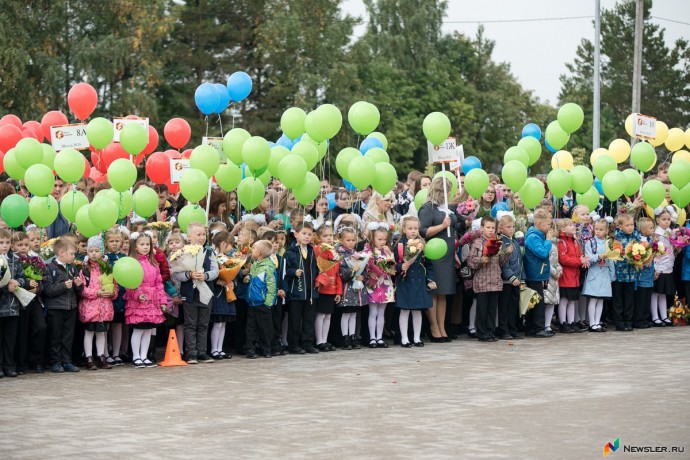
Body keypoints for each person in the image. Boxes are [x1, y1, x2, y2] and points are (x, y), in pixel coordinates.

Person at [173, 222, 219, 364]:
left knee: (203, 324)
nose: (202, 237)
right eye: (198, 234)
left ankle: (202, 352)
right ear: (189, 237)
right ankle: (191, 353)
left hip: (205, 292)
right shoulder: (182, 253)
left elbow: (215, 271)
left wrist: (205, 276)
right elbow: (177, 274)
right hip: (190, 293)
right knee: (190, 324)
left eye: (203, 234)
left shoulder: (209, 252)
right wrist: (189, 274)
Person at [419, 177, 458, 342]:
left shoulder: (447, 208)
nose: (450, 193)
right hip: (435, 255)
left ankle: (442, 327)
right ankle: (434, 328)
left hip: (448, 255)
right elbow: (423, 231)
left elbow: (455, 230)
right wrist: (442, 226)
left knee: (443, 293)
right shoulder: (428, 208)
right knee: (434, 292)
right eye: (448, 190)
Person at [124, 231, 166, 368]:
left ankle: (144, 356)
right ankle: (136, 356)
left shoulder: (153, 263)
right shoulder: (132, 263)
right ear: (135, 246)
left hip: (152, 301)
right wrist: (137, 295)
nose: (145, 246)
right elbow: (129, 284)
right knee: (138, 329)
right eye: (142, 244)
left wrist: (162, 301)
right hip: (139, 302)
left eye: (148, 244)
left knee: (148, 330)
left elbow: (159, 283)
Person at [43, 236, 84, 373]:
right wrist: (62, 286)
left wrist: (79, 286)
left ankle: (67, 361)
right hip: (56, 308)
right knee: (55, 336)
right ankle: (55, 362)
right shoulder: (50, 268)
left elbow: (78, 290)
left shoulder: (72, 268)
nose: (74, 256)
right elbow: (47, 290)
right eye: (72, 253)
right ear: (61, 252)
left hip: (70, 307)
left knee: (68, 336)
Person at [394, 216, 435, 347]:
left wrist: (430, 279)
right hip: (405, 281)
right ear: (403, 229)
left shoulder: (422, 244)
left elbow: (429, 264)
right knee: (405, 310)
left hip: (419, 281)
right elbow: (393, 263)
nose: (413, 231)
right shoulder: (400, 245)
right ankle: (404, 338)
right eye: (410, 228)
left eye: (416, 228)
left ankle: (417, 338)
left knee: (418, 310)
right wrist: (401, 267)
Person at [11, 232, 47, 374]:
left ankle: (37, 360)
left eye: (26, 245)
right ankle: (21, 363)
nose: (23, 248)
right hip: (18, 300)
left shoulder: (35, 260)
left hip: (34, 299)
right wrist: (25, 285)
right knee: (22, 332)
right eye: (20, 245)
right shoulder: (12, 261)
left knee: (41, 327)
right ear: (13, 246)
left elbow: (43, 279)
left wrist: (37, 288)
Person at [78, 236, 115, 370]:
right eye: (91, 251)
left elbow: (113, 284)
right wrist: (96, 293)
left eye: (97, 250)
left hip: (104, 306)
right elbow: (82, 289)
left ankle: (101, 356)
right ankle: (88, 356)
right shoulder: (85, 269)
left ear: (102, 252)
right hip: (90, 307)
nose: (94, 253)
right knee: (89, 332)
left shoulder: (107, 268)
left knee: (101, 332)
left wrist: (112, 293)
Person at [468, 217, 505, 342]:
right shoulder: (478, 243)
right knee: (482, 308)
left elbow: (502, 263)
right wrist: (480, 260)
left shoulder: (497, 242)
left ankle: (490, 331)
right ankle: (481, 332)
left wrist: (505, 254)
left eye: (493, 228)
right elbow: (470, 262)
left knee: (492, 309)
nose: (491, 230)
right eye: (488, 227)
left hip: (495, 281)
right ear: (482, 228)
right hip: (482, 281)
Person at [284, 221, 319, 354]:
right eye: (304, 233)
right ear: (296, 234)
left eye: (309, 234)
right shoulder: (290, 252)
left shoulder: (312, 251)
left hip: (310, 292)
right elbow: (285, 270)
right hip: (296, 292)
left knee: (309, 319)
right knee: (295, 320)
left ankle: (308, 343)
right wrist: (293, 272)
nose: (307, 236)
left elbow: (315, 268)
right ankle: (294, 345)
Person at [363, 223, 395, 348]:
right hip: (373, 284)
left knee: (382, 312)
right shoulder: (368, 251)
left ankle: (379, 337)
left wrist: (389, 255)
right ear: (372, 238)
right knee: (373, 312)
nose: (382, 242)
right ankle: (372, 338)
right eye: (379, 239)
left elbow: (392, 266)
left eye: (384, 239)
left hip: (385, 283)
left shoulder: (386, 251)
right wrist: (369, 272)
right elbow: (363, 265)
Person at [524, 209, 555, 338]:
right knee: (538, 303)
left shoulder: (538, 235)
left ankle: (532, 328)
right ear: (539, 223)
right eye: (548, 224)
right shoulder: (533, 237)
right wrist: (548, 240)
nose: (550, 227)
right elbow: (542, 253)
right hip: (534, 274)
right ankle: (537, 328)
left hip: (538, 273)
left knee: (534, 301)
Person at [0, 229, 27, 377]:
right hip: (1, 305)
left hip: (12, 307)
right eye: (1, 242)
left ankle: (9, 365)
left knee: (10, 339)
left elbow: (22, 278)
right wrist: (5, 287)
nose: (5, 245)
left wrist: (17, 283)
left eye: (7, 242)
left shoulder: (15, 260)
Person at [244, 240, 277, 359]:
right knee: (251, 328)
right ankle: (251, 349)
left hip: (262, 303)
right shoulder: (255, 264)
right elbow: (253, 279)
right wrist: (247, 278)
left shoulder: (268, 267)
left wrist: (268, 303)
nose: (252, 250)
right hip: (252, 301)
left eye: (254, 248)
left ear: (259, 253)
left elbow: (272, 286)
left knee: (265, 328)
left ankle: (267, 349)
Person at [336, 226, 367, 350]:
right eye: (348, 240)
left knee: (354, 313)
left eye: (353, 240)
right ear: (341, 240)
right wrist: (351, 271)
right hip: (346, 287)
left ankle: (353, 336)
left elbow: (364, 269)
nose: (351, 242)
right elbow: (341, 272)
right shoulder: (340, 254)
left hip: (356, 288)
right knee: (346, 312)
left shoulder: (357, 254)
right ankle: (345, 337)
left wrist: (362, 277)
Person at [582, 219, 616, 332]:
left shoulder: (609, 243)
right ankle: (592, 323)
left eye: (601, 229)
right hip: (594, 272)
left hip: (605, 273)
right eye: (596, 229)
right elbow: (588, 258)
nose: (598, 231)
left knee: (601, 299)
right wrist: (598, 256)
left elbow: (611, 260)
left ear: (606, 231)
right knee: (593, 299)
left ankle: (597, 322)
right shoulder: (590, 242)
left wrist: (612, 275)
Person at [313, 224, 341, 352]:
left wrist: (338, 291)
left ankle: (325, 339)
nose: (329, 238)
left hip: (332, 287)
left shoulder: (334, 250)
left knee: (328, 315)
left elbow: (337, 273)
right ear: (318, 238)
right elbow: (320, 265)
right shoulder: (319, 249)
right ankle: (319, 341)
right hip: (323, 287)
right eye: (325, 236)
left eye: (330, 235)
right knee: (321, 315)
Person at [557, 218, 587, 333]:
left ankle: (571, 322)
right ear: (563, 229)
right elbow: (563, 259)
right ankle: (563, 323)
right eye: (570, 225)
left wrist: (583, 259)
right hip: (565, 277)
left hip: (574, 276)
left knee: (571, 301)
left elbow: (579, 255)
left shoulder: (575, 241)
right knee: (564, 300)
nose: (573, 226)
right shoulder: (561, 242)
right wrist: (579, 261)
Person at [612, 214, 641, 332]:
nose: (630, 227)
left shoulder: (636, 236)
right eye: (627, 225)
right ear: (620, 226)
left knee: (629, 298)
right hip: (619, 273)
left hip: (631, 273)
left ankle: (628, 320)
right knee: (618, 298)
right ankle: (619, 322)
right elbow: (615, 253)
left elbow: (641, 250)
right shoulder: (617, 237)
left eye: (632, 225)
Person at [210, 231, 235, 360]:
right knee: (218, 323)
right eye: (230, 244)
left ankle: (220, 348)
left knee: (223, 323)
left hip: (226, 292)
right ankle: (214, 349)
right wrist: (217, 280)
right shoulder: (212, 256)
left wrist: (231, 280)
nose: (232, 248)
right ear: (224, 243)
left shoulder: (225, 258)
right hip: (217, 293)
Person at [497, 214, 523, 340]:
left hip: (517, 280)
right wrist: (511, 277)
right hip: (507, 281)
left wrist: (520, 277)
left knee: (513, 306)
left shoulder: (515, 242)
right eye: (508, 227)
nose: (511, 229)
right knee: (504, 306)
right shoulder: (502, 242)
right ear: (501, 228)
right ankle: (503, 329)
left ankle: (513, 328)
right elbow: (503, 263)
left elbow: (519, 261)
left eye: (513, 226)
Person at [104, 229, 127, 365]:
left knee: (118, 324)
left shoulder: (124, 258)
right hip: (108, 296)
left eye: (117, 241)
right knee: (106, 325)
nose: (114, 244)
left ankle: (116, 353)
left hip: (121, 296)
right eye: (111, 241)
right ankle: (106, 353)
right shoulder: (104, 259)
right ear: (106, 243)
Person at [651, 208, 676, 326]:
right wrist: (655, 268)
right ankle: (655, 316)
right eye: (663, 219)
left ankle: (664, 316)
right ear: (657, 220)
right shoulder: (657, 234)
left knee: (663, 292)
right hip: (659, 266)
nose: (666, 222)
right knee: (655, 292)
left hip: (668, 266)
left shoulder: (670, 232)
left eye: (668, 219)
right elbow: (654, 252)